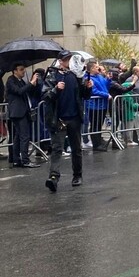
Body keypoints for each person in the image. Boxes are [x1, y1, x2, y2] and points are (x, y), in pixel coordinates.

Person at [41, 50, 93, 192]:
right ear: (60, 61)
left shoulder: (76, 75)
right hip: (59, 118)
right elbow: (45, 96)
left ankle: (77, 175)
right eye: (66, 59)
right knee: (57, 149)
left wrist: (88, 88)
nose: (69, 61)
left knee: (76, 149)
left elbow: (84, 96)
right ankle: (53, 177)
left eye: (70, 58)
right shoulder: (52, 75)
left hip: (74, 117)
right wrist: (56, 89)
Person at [6, 62, 41, 168]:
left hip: (23, 111)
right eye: (21, 69)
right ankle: (25, 160)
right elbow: (19, 91)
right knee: (24, 136)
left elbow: (28, 92)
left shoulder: (21, 81)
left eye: (24, 69)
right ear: (14, 71)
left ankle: (17, 160)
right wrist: (31, 83)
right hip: (17, 112)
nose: (23, 71)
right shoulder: (11, 80)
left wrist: (33, 85)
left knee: (18, 137)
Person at [86, 61, 111, 151]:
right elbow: (94, 91)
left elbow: (106, 87)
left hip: (102, 105)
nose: (99, 69)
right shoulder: (88, 78)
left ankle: (98, 142)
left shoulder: (99, 77)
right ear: (92, 68)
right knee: (95, 125)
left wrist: (108, 80)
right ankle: (96, 144)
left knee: (99, 124)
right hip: (94, 105)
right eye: (96, 67)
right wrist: (106, 95)